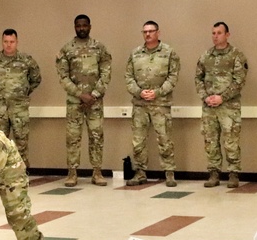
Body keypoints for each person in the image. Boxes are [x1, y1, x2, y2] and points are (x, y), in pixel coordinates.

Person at [55, 14, 112, 187]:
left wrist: (93, 95)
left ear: (90, 26)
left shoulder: (99, 48)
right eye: (78, 26)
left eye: (84, 25)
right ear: (74, 27)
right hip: (75, 102)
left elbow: (106, 73)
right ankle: (72, 173)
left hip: (95, 102)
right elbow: (63, 77)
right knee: (73, 138)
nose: (81, 28)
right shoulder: (66, 50)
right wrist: (81, 94)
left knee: (96, 137)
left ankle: (97, 172)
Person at [124, 21, 180, 186]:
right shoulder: (135, 54)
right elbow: (128, 77)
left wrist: (157, 92)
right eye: (145, 32)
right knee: (138, 140)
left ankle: (169, 173)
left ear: (158, 33)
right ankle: (140, 173)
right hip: (140, 104)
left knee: (165, 139)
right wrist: (139, 92)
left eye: (151, 31)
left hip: (161, 104)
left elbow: (173, 77)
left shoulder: (169, 53)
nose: (147, 34)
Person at [195, 22, 248, 189]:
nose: (215, 36)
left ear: (227, 35)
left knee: (230, 141)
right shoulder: (205, 56)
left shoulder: (236, 55)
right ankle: (214, 173)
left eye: (219, 33)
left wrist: (222, 97)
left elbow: (239, 81)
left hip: (229, 107)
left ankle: (233, 173)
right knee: (210, 141)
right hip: (209, 106)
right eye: (213, 33)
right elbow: (198, 79)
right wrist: (206, 97)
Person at [0, 28, 41, 170]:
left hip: (19, 109)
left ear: (17, 42)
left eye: (12, 42)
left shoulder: (26, 60)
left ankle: (22, 173)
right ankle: (0, 174)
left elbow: (36, 79)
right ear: (2, 42)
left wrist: (23, 93)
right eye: (6, 42)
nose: (8, 45)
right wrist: (0, 93)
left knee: (22, 142)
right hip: (0, 109)